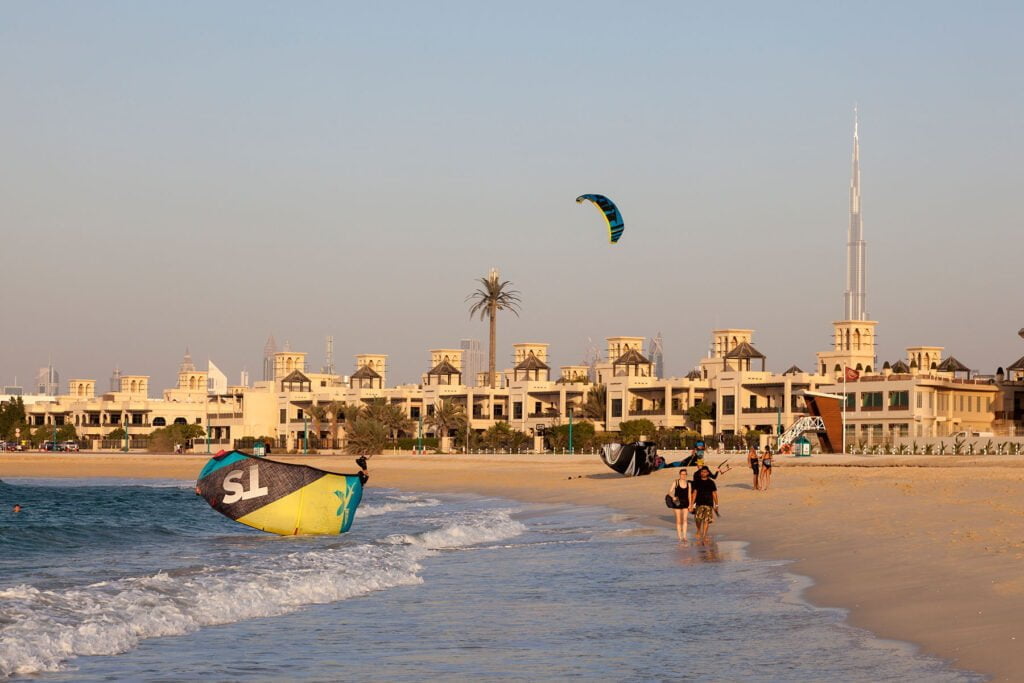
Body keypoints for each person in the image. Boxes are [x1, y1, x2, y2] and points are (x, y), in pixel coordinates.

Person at [689, 465, 719, 545]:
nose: (703, 473)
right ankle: (699, 530)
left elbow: (714, 493)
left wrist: (716, 504)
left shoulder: (711, 482)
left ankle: (705, 534)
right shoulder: (697, 482)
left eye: (705, 472)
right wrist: (691, 504)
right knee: (698, 519)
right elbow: (694, 493)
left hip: (709, 503)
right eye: (702, 472)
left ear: (708, 473)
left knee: (706, 520)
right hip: (699, 503)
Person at [665, 468, 690, 543]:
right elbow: (669, 492)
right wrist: (673, 497)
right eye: (682, 474)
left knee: (685, 520)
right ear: (680, 474)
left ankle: (685, 537)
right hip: (677, 502)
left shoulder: (688, 484)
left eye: (685, 474)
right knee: (679, 520)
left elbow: (689, 495)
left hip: (686, 502)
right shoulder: (676, 482)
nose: (683, 475)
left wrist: (690, 504)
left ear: (686, 475)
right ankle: (680, 537)